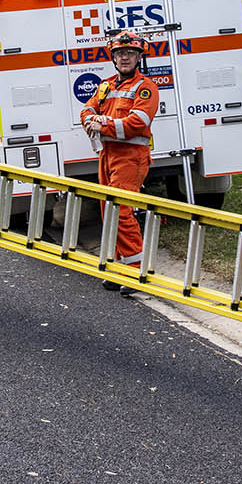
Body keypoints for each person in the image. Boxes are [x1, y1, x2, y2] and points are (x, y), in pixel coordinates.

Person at [80, 29, 158, 295]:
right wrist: (92, 121)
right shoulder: (106, 86)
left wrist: (104, 125)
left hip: (130, 158)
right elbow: (87, 110)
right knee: (109, 211)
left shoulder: (145, 87)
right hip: (108, 155)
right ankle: (119, 268)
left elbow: (137, 124)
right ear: (113, 57)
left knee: (123, 211)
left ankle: (137, 272)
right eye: (120, 53)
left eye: (130, 53)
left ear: (139, 57)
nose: (125, 57)